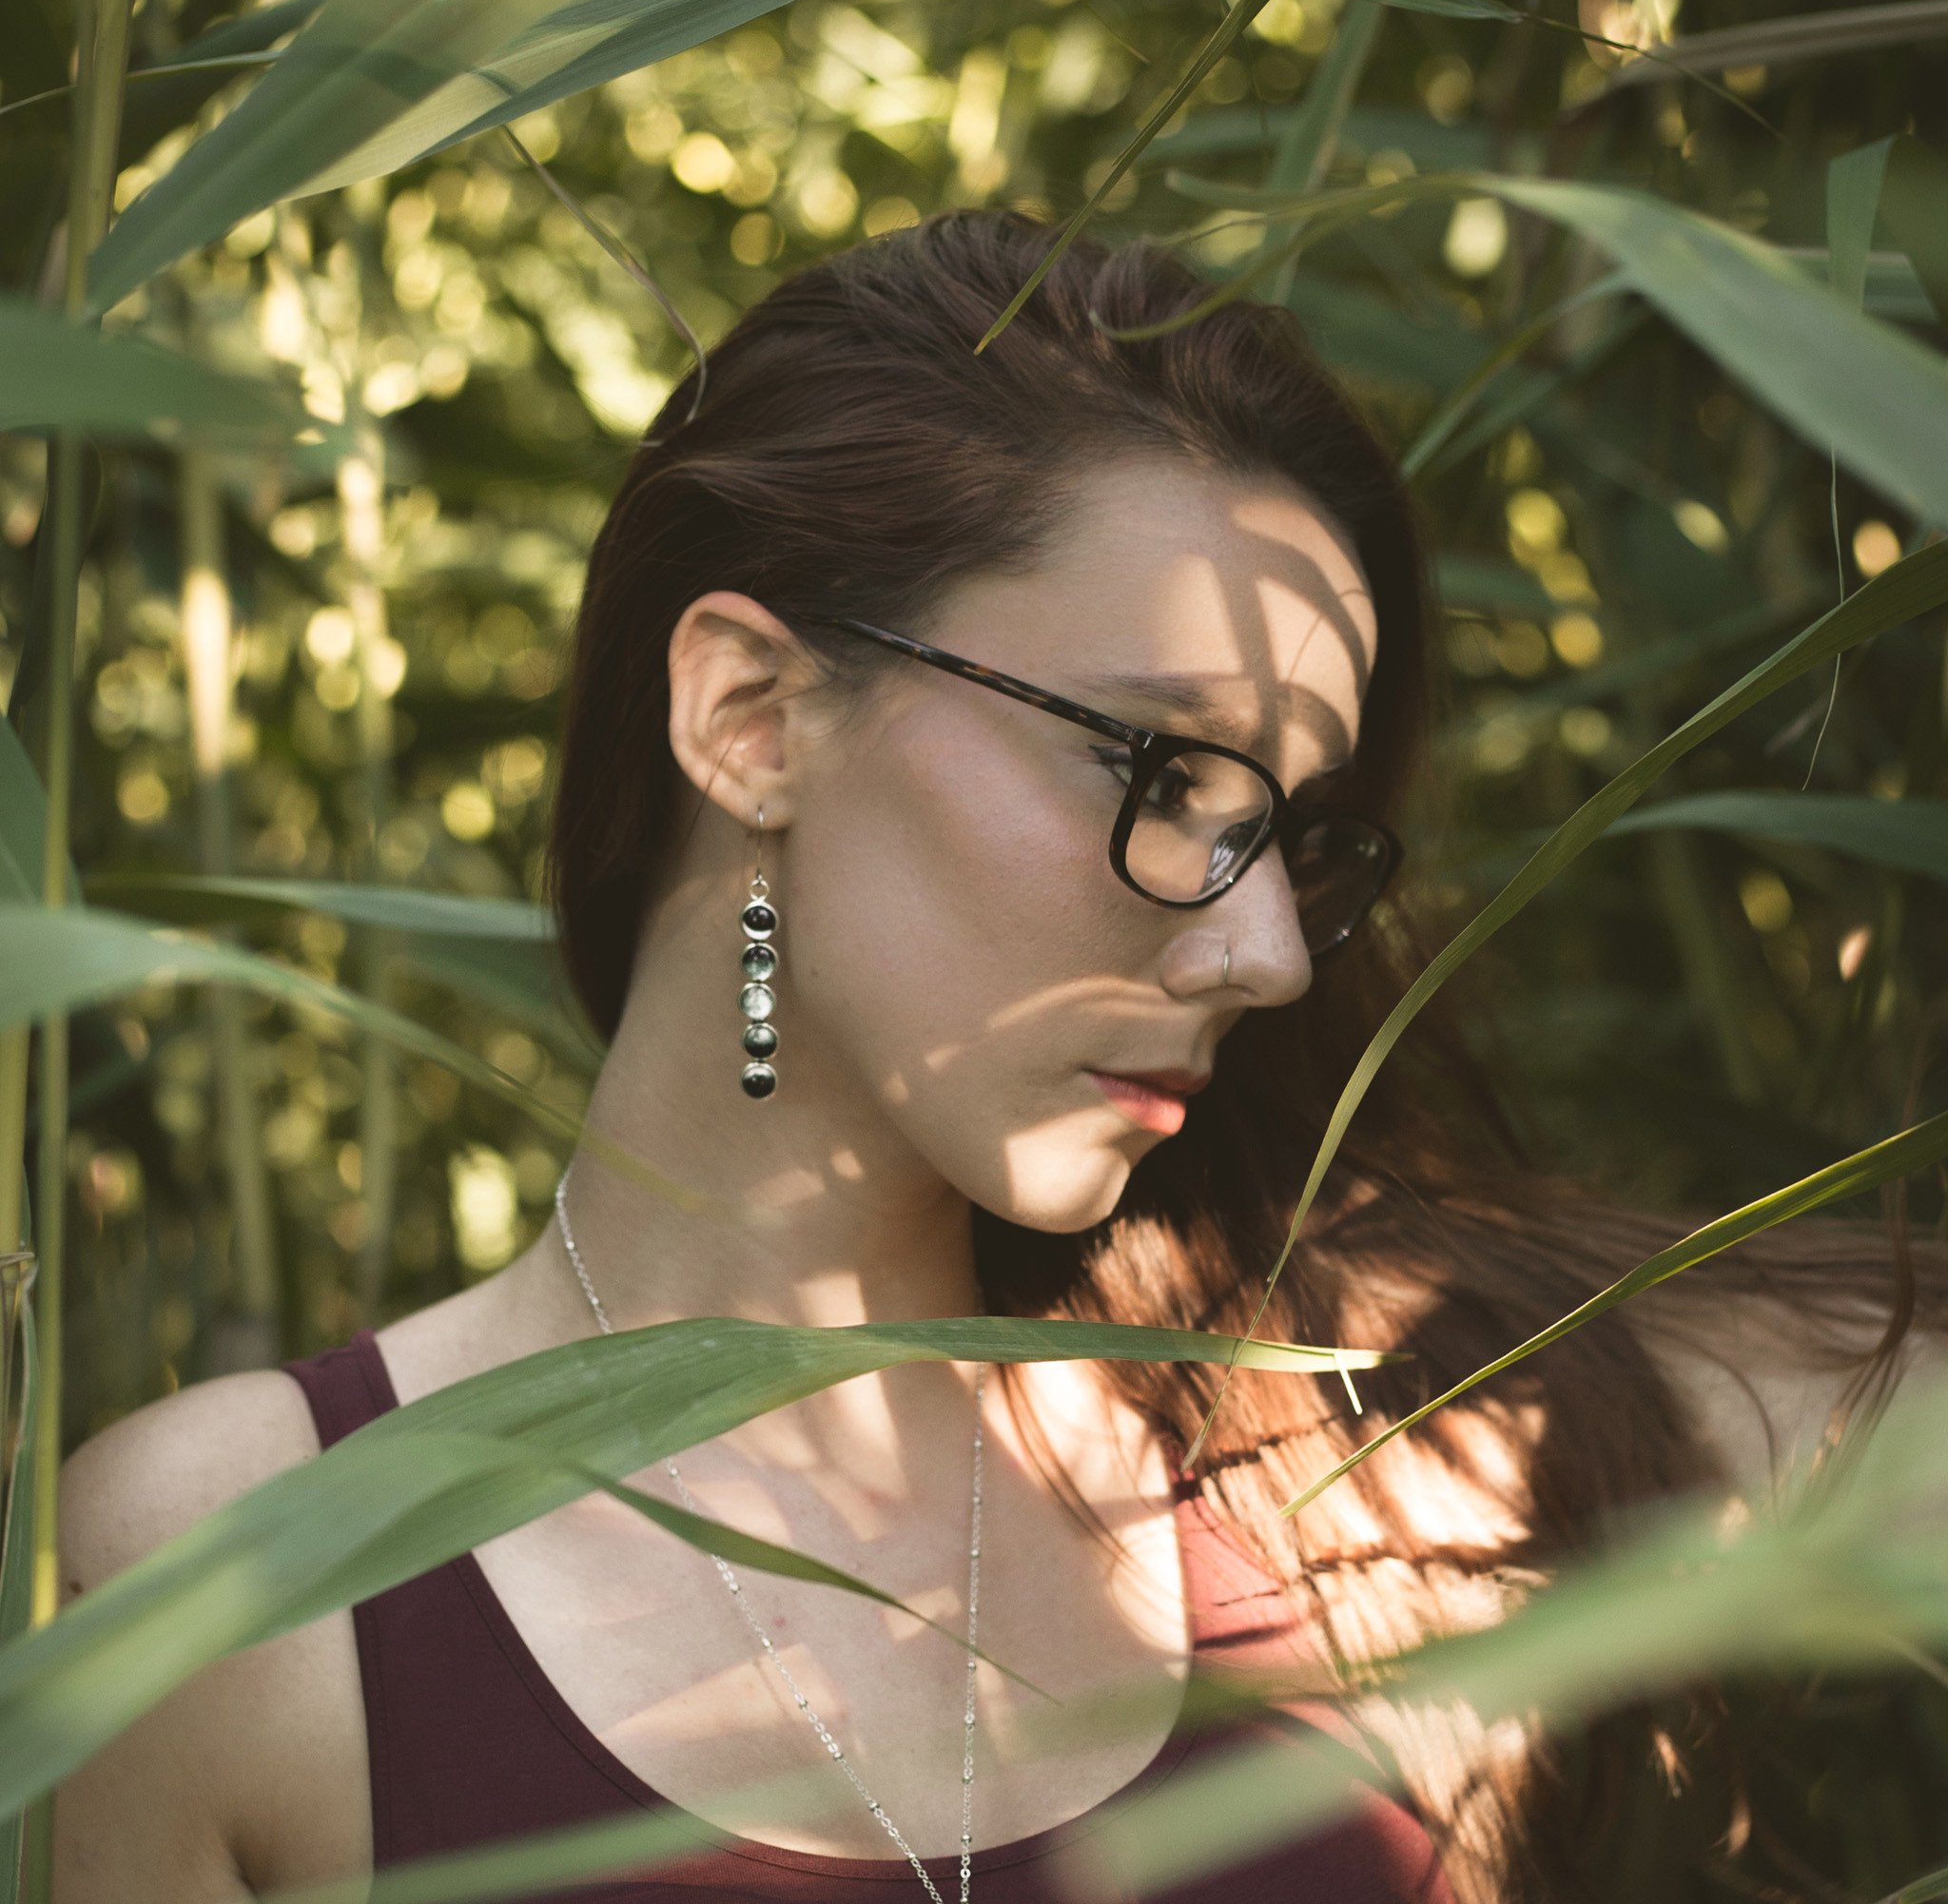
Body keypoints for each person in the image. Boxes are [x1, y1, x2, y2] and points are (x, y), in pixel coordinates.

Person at [49, 208, 1943, 1904]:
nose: (1269, 948)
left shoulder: (1367, 1469)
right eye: (1161, 771)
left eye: (1297, 833)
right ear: (752, 712)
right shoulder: (247, 1573)